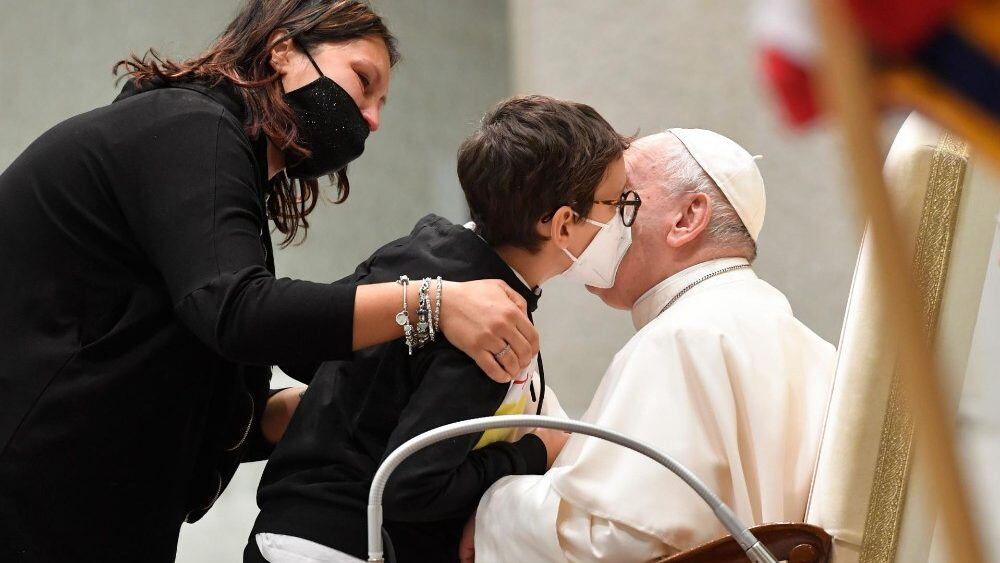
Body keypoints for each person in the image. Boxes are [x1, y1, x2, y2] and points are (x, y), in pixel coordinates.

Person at [0, 2, 539, 562]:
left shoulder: (199, 149)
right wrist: (431, 303)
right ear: (282, 50)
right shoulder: (189, 126)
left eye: (382, 103)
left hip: (94, 502)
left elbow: (214, 394)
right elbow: (237, 312)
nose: (373, 119)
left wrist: (343, 407)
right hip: (34, 490)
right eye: (362, 81)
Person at [245, 95, 635, 563]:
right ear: (564, 225)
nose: (623, 220)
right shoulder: (491, 322)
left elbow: (308, 351)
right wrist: (534, 452)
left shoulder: (418, 251)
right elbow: (411, 488)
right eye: (616, 203)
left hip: (282, 528)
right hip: (341, 546)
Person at [468, 129, 836, 561]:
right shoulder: (808, 346)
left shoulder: (683, 338)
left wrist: (493, 506)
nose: (596, 221)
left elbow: (614, 544)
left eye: (621, 200)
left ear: (686, 219)